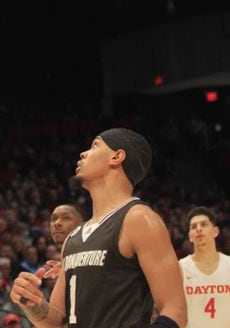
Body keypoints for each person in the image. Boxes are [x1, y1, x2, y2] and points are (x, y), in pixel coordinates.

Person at [10, 127, 187, 328]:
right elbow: (56, 321)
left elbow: (175, 309)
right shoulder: (73, 237)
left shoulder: (139, 219)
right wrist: (30, 303)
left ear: (116, 157)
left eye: (95, 145)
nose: (83, 153)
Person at [179, 205, 230, 327]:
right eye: (193, 227)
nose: (198, 229)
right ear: (190, 236)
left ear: (215, 231)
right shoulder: (180, 268)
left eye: (204, 224)